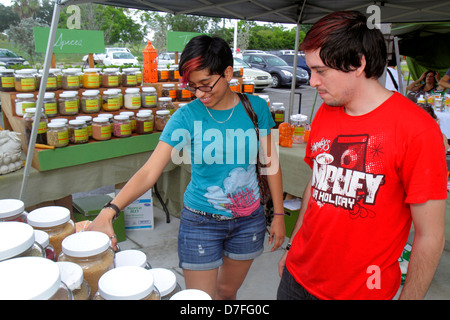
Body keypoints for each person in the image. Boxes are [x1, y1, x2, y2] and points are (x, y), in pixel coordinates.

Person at [87, 35, 285, 299]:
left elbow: (271, 165)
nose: (200, 94)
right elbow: (149, 171)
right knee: (198, 300)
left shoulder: (256, 108)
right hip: (200, 222)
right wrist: (109, 210)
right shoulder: (186, 116)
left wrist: (280, 216)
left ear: (227, 73)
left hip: (248, 221)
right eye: (193, 86)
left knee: (227, 292)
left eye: (206, 84)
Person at [277, 10, 447, 300]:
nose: (313, 81)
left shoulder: (417, 129)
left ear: (358, 63)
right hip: (297, 277)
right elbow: (317, 183)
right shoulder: (325, 112)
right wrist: (293, 248)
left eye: (321, 71)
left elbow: (430, 236)